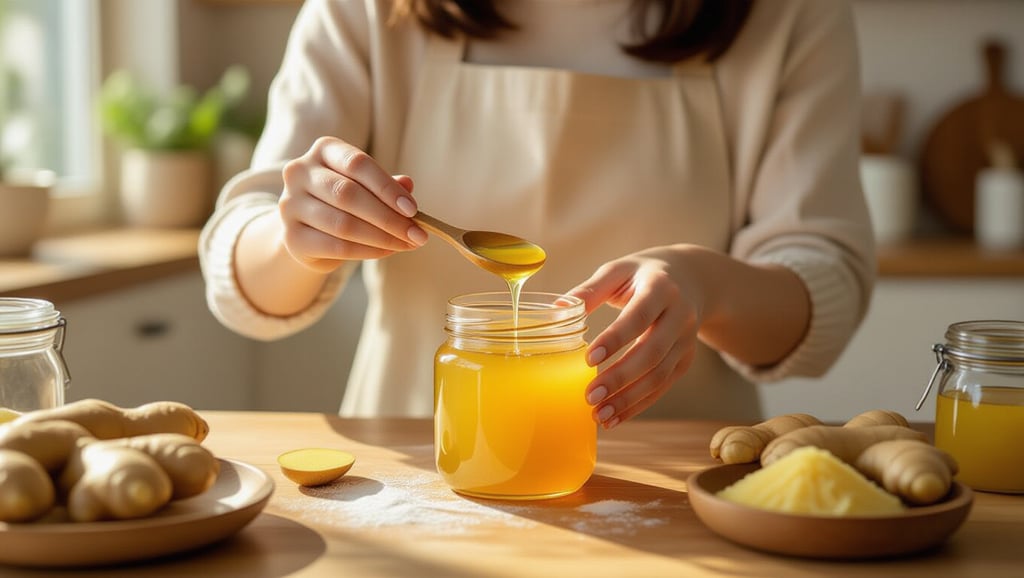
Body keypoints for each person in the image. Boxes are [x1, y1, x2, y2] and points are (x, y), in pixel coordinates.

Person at [199, 0, 875, 427]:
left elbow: (825, 286)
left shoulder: (791, 14)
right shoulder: (373, 11)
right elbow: (245, 266)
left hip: (675, 483)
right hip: (414, 473)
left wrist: (706, 287)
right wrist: (298, 239)